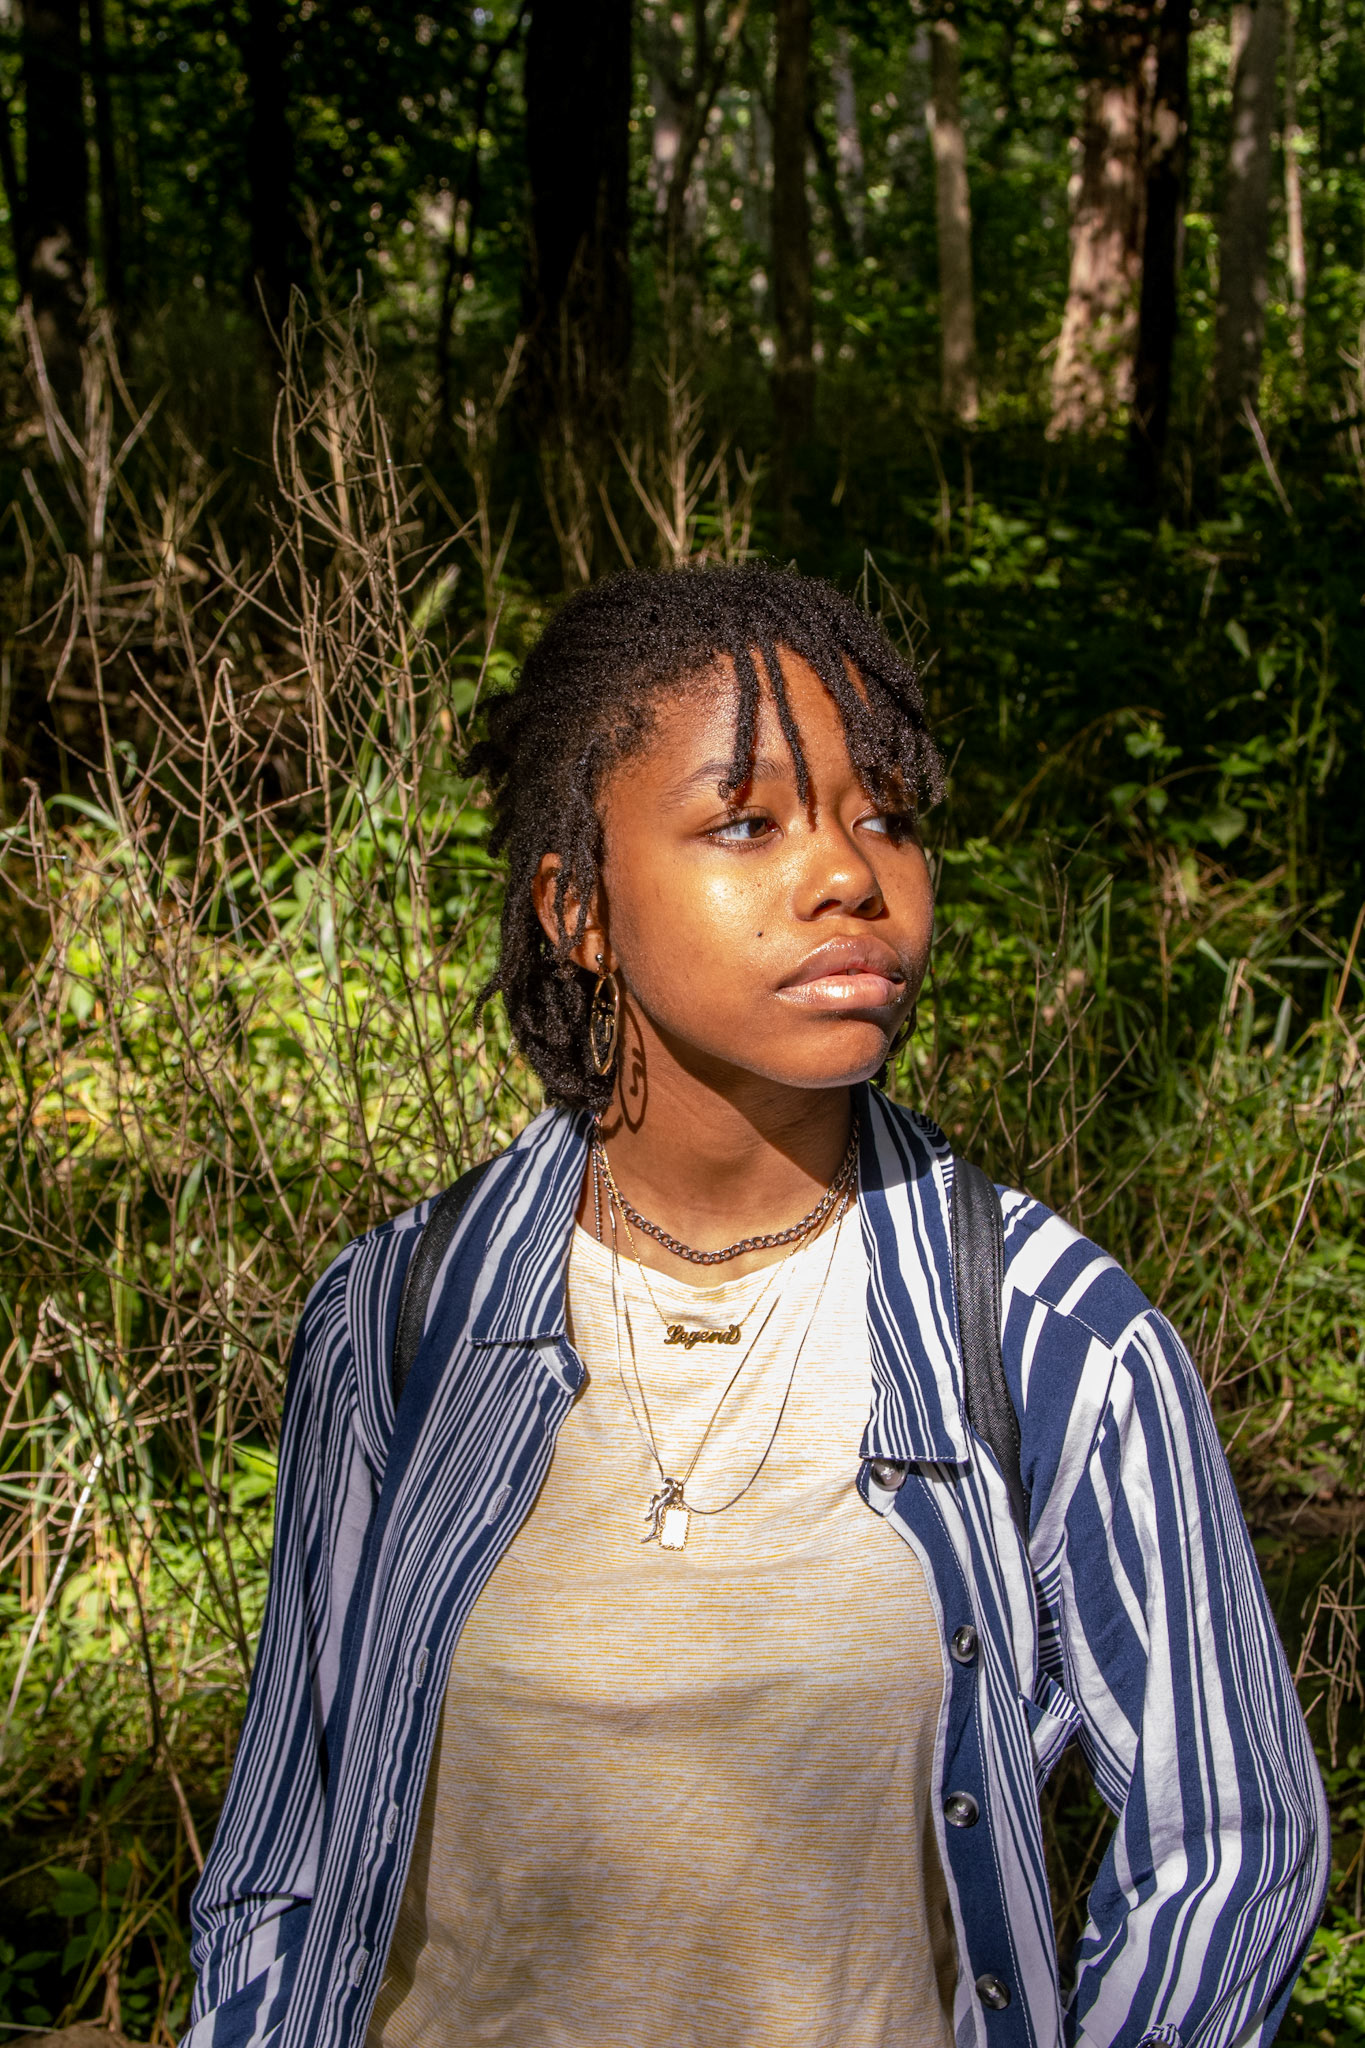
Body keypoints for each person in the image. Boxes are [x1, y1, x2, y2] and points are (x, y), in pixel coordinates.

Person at [182, 564, 1328, 2048]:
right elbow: (285, 1842)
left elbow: (1226, 1846)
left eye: (885, 818)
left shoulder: (1054, 1341)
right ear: (578, 908)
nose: (849, 875)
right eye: (746, 823)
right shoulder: (404, 1318)